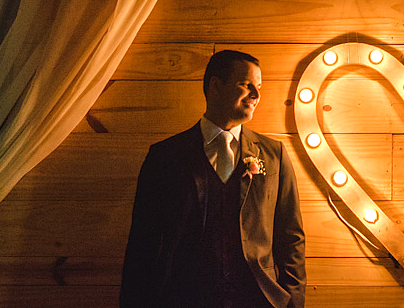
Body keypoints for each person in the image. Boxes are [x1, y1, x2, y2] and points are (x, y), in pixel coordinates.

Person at [120, 50, 306, 308]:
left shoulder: (275, 155)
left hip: (259, 300)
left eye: (259, 86)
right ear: (216, 86)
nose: (256, 95)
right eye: (246, 84)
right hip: (182, 299)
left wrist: (293, 301)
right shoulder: (165, 156)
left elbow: (291, 236)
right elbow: (143, 241)